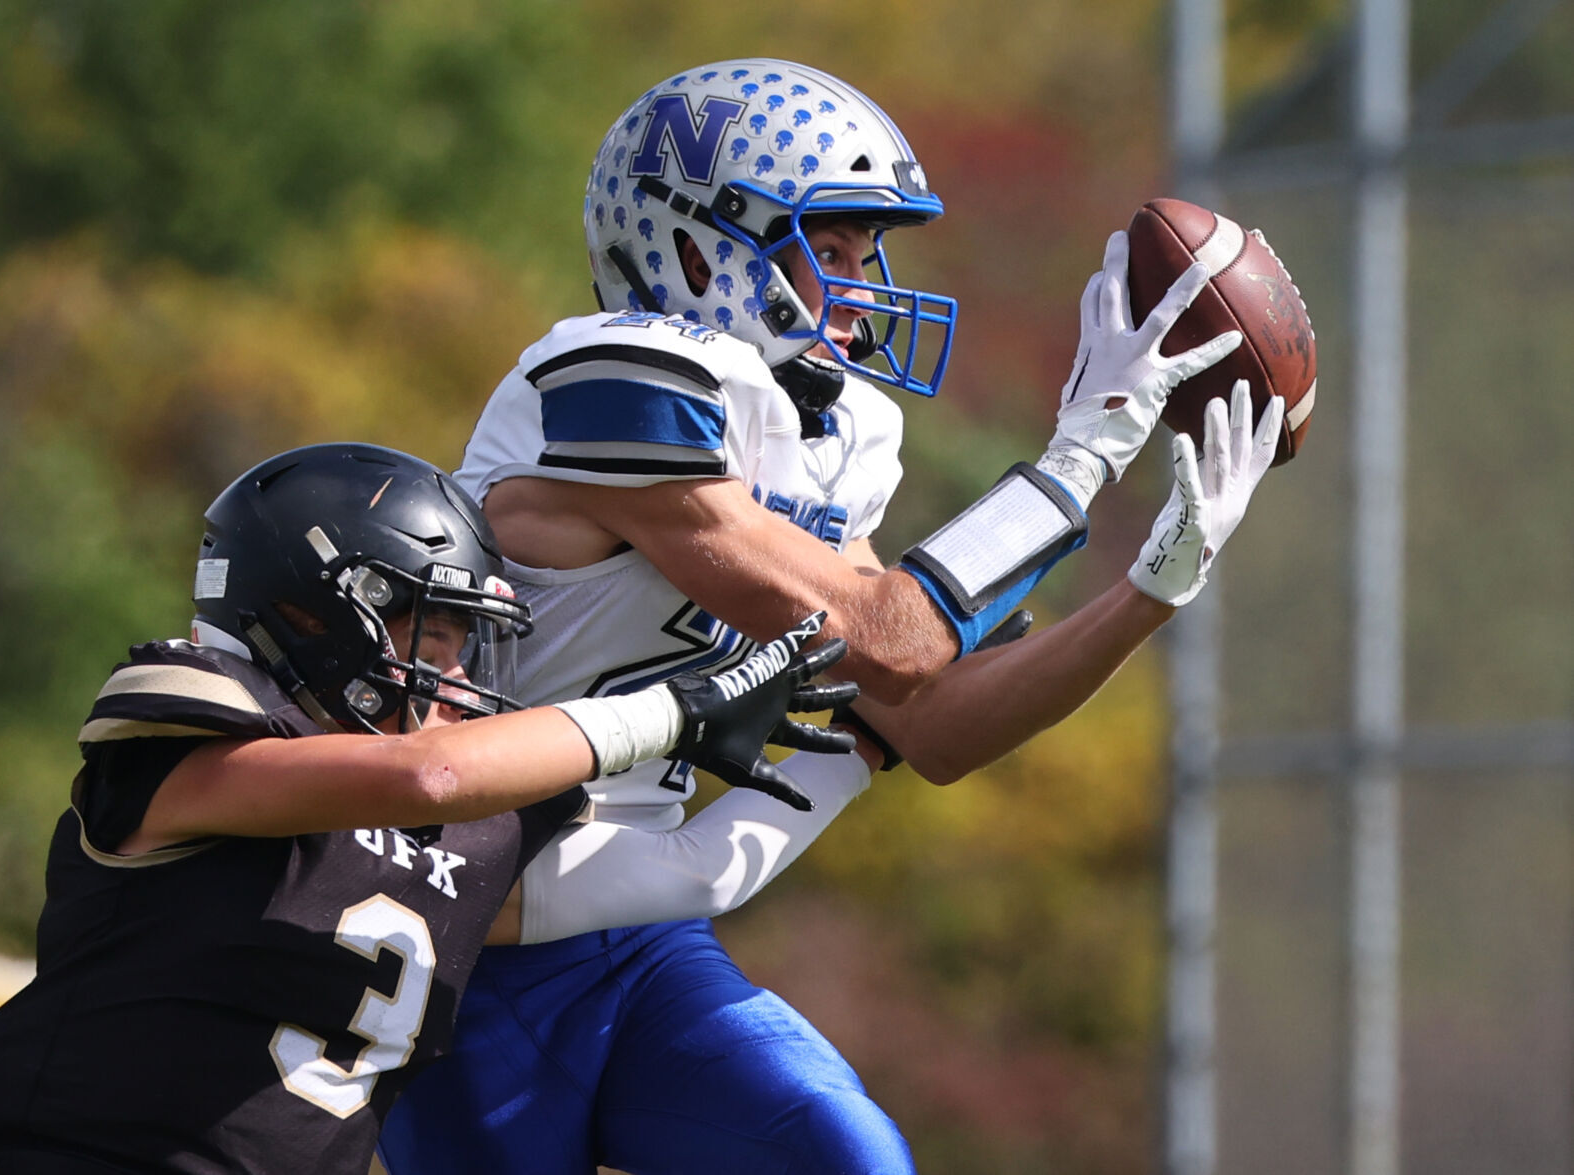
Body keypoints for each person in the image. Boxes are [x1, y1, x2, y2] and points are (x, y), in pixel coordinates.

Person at [377, 59, 1284, 1174]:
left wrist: (1149, 589)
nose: (860, 285)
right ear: (701, 248)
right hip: (461, 919)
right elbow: (889, 629)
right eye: (832, 249)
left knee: (843, 1151)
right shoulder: (611, 374)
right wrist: (1080, 457)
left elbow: (924, 719)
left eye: (868, 253)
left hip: (633, 930)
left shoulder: (829, 431)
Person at [0, 441, 860, 1175]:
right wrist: (669, 711)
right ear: (320, 613)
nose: (459, 679)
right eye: (441, 634)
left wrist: (868, 747)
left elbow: (691, 869)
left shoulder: (483, 827)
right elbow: (427, 776)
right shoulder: (200, 718)